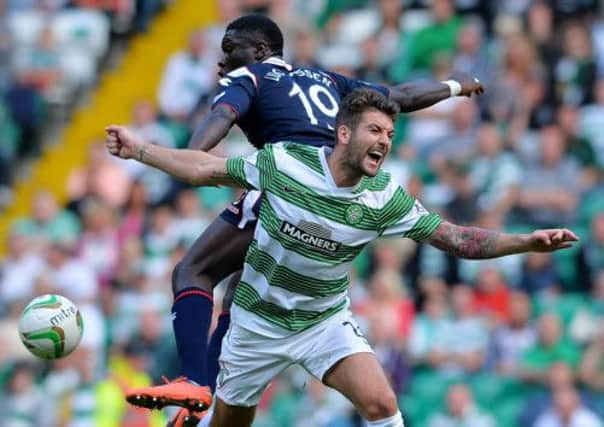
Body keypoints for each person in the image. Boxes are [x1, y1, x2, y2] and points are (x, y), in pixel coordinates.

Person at [106, 88, 578, 427]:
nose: (385, 141)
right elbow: (207, 169)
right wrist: (142, 150)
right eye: (375, 129)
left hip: (321, 322)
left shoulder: (385, 197)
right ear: (344, 132)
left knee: (381, 404)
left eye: (391, 134)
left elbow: (455, 238)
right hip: (255, 324)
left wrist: (525, 241)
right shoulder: (287, 163)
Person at [123, 13, 485, 427]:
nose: (223, 62)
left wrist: (190, 157)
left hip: (289, 185)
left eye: (230, 50)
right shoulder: (326, 79)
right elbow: (399, 96)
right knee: (241, 286)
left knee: (193, 271)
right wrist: (455, 86)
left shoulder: (250, 78)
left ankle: (193, 382)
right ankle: (207, 391)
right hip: (335, 190)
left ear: (259, 51)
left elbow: (209, 136)